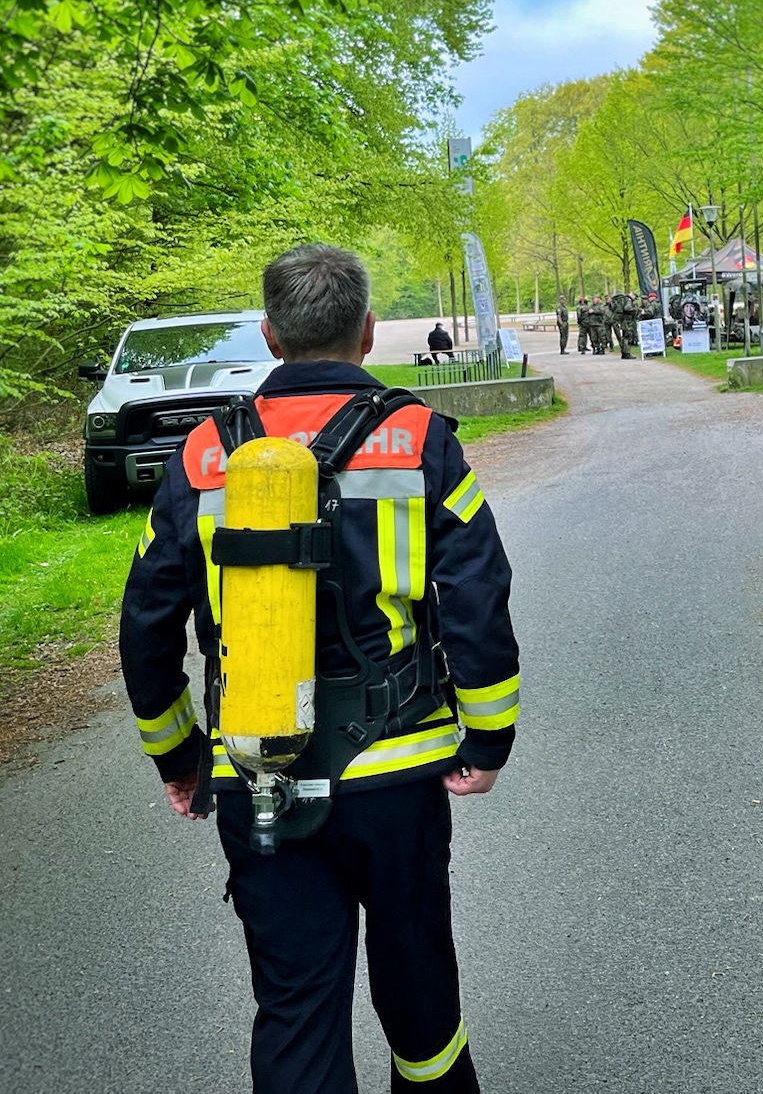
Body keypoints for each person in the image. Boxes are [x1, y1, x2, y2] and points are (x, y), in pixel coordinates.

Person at [120, 245, 520, 1094]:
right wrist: (488, 738)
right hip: (397, 775)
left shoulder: (204, 453)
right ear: (367, 331)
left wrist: (179, 754)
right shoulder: (418, 440)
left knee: (296, 1008)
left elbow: (146, 622)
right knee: (420, 996)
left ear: (269, 335)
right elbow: (480, 595)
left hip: (259, 771)